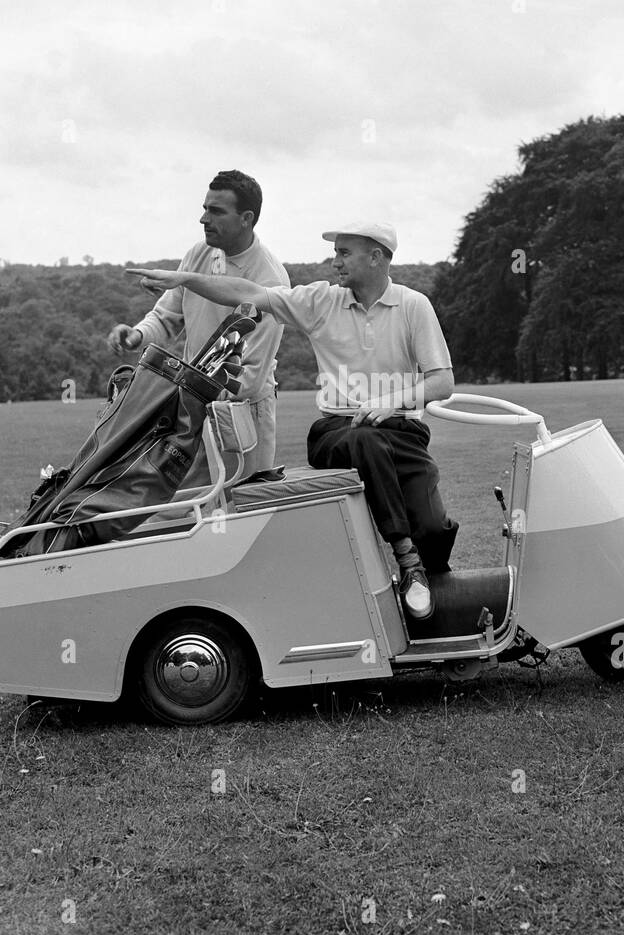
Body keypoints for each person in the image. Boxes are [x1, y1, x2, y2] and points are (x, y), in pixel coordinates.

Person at [130, 222, 458, 621]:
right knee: (365, 441)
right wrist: (185, 279)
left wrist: (392, 401)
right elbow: (248, 293)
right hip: (338, 433)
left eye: (344, 253)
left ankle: (439, 593)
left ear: (376, 257)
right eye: (335, 253)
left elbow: (442, 382)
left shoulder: (413, 305)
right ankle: (408, 561)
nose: (334, 262)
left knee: (435, 528)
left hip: (402, 433)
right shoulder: (320, 301)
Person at [108, 170, 289, 478]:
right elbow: (166, 317)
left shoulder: (270, 279)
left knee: (239, 501)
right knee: (190, 502)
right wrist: (137, 335)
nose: (203, 219)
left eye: (216, 211)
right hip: (192, 406)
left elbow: (249, 378)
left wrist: (185, 398)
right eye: (205, 208)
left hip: (242, 414)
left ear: (246, 218)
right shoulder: (198, 253)